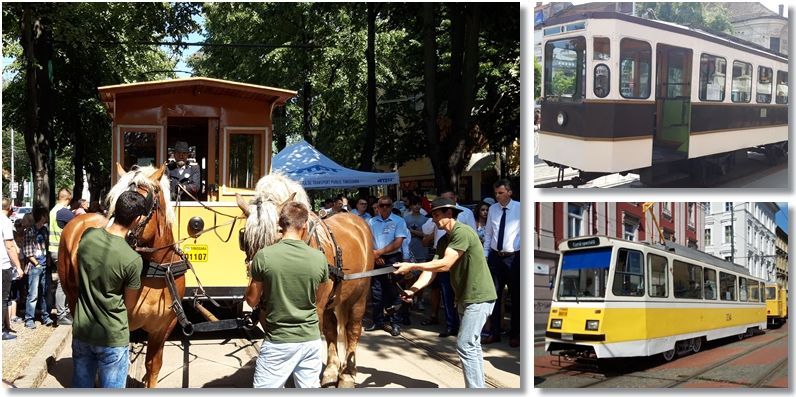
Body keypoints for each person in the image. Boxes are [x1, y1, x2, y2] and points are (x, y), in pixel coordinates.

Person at [394, 198, 496, 388]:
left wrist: (411, 265)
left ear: (449, 213)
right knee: (472, 347)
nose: (433, 219)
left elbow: (445, 264)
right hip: (464, 297)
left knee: (465, 345)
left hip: (479, 296)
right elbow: (431, 271)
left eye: (436, 214)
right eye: (432, 215)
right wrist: (412, 290)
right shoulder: (443, 240)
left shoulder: (462, 232)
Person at [245, 202, 328, 388]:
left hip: (278, 341)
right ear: (304, 225)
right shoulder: (319, 258)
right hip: (311, 340)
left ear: (280, 224)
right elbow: (319, 298)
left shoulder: (264, 256)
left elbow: (251, 301)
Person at [71, 191, 148, 388]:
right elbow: (129, 306)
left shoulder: (88, 236)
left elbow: (79, 277)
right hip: (112, 338)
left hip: (82, 332)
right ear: (137, 219)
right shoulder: (132, 260)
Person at [482, 180, 521, 348]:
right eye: (496, 193)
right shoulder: (493, 209)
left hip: (514, 258)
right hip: (495, 257)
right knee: (494, 296)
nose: (497, 196)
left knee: (517, 298)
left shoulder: (521, 208)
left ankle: (515, 335)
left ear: (509, 192)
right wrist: (485, 255)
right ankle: (494, 333)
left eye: (500, 193)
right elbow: (489, 233)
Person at [365, 196, 409, 337]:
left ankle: (395, 323)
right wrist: (375, 255)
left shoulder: (398, 221)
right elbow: (367, 240)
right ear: (377, 206)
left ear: (391, 206)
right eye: (382, 205)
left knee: (393, 292)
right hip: (376, 258)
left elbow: (398, 242)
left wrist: (380, 253)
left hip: (392, 258)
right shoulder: (371, 222)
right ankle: (378, 321)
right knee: (377, 292)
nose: (384, 208)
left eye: (387, 205)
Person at [22, 210, 52, 329]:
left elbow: (47, 246)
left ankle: (45, 316)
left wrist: (47, 260)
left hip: (44, 264)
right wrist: (37, 263)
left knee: (45, 292)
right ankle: (29, 319)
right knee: (33, 294)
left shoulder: (44, 230)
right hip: (35, 266)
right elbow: (28, 250)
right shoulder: (30, 231)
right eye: (45, 216)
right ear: (42, 217)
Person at [49, 187, 75, 325]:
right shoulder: (63, 212)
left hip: (53, 249)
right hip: (60, 250)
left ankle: (62, 311)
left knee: (61, 282)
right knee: (62, 283)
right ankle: (61, 314)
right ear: (67, 198)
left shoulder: (53, 211)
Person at [2, 199, 24, 340]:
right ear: (9, 207)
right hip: (3, 265)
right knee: (3, 299)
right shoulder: (5, 222)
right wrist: (18, 266)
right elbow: (9, 245)